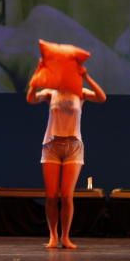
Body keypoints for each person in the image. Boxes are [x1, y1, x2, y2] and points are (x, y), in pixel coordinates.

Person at [27, 65, 106, 249]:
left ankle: (66, 237)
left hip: (73, 146)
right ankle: (53, 236)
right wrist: (35, 81)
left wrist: (87, 77)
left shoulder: (80, 92)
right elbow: (31, 98)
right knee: (52, 196)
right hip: (52, 145)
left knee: (67, 196)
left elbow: (102, 97)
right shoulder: (51, 92)